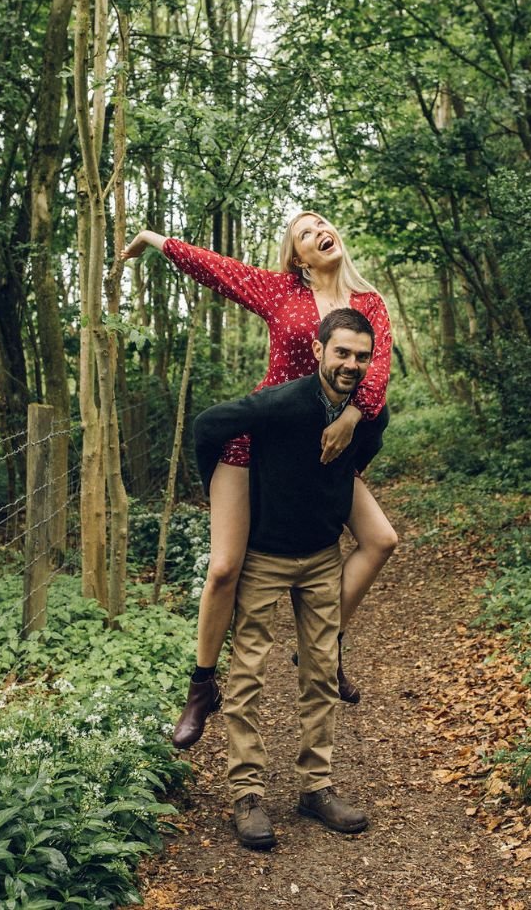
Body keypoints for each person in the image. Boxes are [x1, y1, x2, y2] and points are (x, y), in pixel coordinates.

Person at [122, 213, 397, 749]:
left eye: (323, 221)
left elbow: (379, 369)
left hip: (324, 448)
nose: (318, 228)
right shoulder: (279, 291)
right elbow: (216, 269)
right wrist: (156, 240)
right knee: (225, 567)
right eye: (303, 230)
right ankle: (202, 686)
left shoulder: (370, 304)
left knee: (381, 539)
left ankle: (324, 646)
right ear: (298, 256)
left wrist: (352, 415)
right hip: (261, 439)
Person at [191, 308, 387, 850]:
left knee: (321, 670)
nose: (351, 364)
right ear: (320, 350)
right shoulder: (283, 402)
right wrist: (223, 488)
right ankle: (247, 794)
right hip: (265, 555)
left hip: (323, 554)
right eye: (341, 352)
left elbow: (362, 456)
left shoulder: (367, 413)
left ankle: (316, 787)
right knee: (249, 670)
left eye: (361, 356)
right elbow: (209, 426)